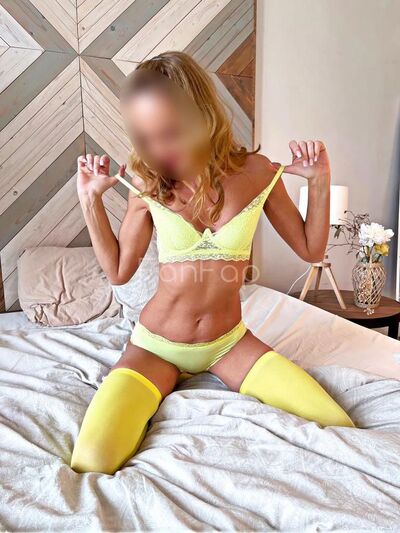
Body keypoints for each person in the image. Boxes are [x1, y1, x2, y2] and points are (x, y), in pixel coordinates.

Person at [71, 51, 354, 475]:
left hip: (228, 344)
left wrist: (320, 181)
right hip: (155, 346)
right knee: (92, 461)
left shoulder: (258, 173)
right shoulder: (148, 182)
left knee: (336, 424)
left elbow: (312, 251)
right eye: (146, 138)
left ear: (202, 116)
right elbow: (119, 271)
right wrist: (90, 199)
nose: (158, 149)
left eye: (170, 133)